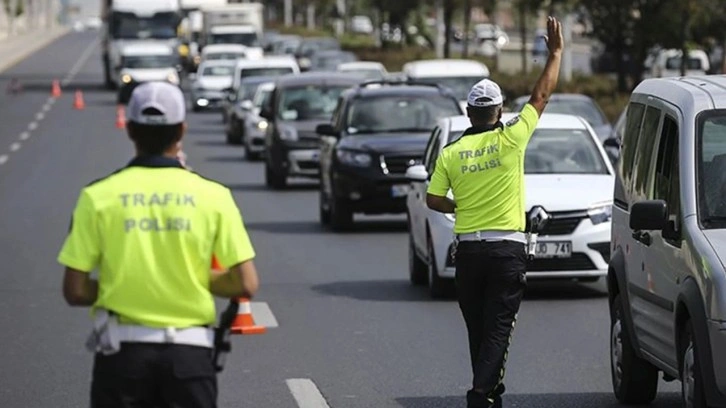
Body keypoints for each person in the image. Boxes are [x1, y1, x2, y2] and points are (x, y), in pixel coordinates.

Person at [58, 81, 260, 408]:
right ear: (181, 130)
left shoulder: (97, 197)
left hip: (122, 358)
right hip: (190, 359)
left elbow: (75, 290)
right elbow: (246, 284)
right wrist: (187, 279)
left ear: (130, 130)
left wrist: (124, 285)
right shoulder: (214, 197)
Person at [425, 16, 564, 408]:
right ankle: (479, 394)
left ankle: (489, 395)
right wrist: (555, 53)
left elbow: (433, 200)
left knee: (479, 330)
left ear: (469, 114)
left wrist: (460, 205)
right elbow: (540, 98)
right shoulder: (512, 138)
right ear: (499, 112)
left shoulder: (451, 153)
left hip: (468, 253)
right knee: (498, 329)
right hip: (506, 251)